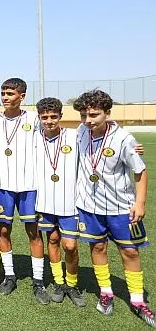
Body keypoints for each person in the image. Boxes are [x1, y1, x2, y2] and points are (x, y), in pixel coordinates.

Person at [72, 90, 154, 327]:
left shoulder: (123, 138)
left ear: (107, 113)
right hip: (89, 205)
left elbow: (140, 171)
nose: (88, 120)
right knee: (97, 246)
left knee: (130, 252)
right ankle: (105, 292)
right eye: (84, 115)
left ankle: (138, 300)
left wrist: (139, 203)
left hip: (120, 207)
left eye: (94, 114)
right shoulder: (81, 132)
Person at [0, 77, 47, 300]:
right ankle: (9, 275)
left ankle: (38, 281)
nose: (5, 97)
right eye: (3, 93)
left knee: (34, 232)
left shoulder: (33, 119)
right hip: (0, 185)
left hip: (29, 185)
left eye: (10, 94)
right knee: (2, 230)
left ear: (22, 96)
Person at [31, 98, 87, 307]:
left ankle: (72, 284)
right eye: (44, 117)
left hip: (69, 202)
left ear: (61, 116)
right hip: (44, 202)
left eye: (53, 116)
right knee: (52, 240)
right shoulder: (34, 138)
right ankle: (58, 282)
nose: (49, 121)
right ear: (39, 118)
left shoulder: (74, 136)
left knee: (70, 246)